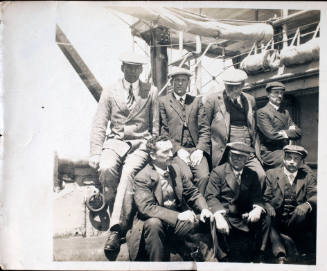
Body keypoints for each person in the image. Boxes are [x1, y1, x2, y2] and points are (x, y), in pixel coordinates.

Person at [88, 52, 159, 259]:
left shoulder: (151, 91)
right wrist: (95, 152)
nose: (133, 71)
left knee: (128, 172)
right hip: (116, 142)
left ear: (141, 70)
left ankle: (116, 230)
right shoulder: (109, 91)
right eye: (129, 67)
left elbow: (155, 127)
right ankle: (114, 218)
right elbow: (100, 123)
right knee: (107, 167)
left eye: (137, 67)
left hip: (140, 144)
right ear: (122, 68)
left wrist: (152, 147)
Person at [127, 135, 213, 261]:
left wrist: (204, 208)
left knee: (208, 219)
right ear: (153, 155)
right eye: (165, 151)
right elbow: (147, 208)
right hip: (155, 227)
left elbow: (192, 193)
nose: (171, 154)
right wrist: (178, 216)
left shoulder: (175, 169)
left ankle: (212, 264)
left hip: (175, 226)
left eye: (171, 150)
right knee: (153, 223)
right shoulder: (142, 177)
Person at [205, 142, 270, 262]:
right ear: (229, 156)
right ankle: (222, 256)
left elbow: (257, 197)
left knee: (265, 217)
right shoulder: (218, 172)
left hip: (244, 216)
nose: (237, 159)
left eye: (241, 157)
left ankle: (260, 253)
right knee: (214, 219)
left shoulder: (252, 174)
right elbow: (210, 197)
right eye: (234, 155)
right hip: (227, 216)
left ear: (247, 159)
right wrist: (218, 215)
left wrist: (257, 209)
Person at [204, 68, 265, 187]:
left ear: (242, 85)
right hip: (225, 151)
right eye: (229, 87)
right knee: (227, 181)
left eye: (236, 87)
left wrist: (257, 150)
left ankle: (255, 204)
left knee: (260, 175)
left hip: (247, 149)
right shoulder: (213, 100)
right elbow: (205, 127)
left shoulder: (250, 100)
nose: (232, 90)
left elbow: (254, 128)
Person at [159, 67, 211, 195]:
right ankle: (186, 209)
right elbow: (163, 132)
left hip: (195, 149)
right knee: (186, 176)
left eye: (183, 80)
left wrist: (199, 150)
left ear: (188, 83)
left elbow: (205, 129)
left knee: (204, 176)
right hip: (177, 151)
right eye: (177, 80)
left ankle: (200, 209)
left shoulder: (196, 101)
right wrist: (178, 150)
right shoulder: (163, 102)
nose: (180, 83)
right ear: (171, 83)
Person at [264, 145, 316, 264]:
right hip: (276, 218)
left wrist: (307, 204)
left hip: (296, 220)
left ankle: (296, 246)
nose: (292, 162)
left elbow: (315, 194)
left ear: (302, 162)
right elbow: (264, 197)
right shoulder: (271, 174)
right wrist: (268, 205)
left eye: (296, 159)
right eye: (289, 158)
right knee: (268, 219)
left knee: (308, 214)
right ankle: (280, 253)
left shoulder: (307, 176)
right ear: (283, 159)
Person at [256, 81, 302, 169]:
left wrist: (283, 132)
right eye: (276, 93)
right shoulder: (262, 112)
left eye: (281, 93)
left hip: (285, 149)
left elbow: (298, 132)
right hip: (270, 152)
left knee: (302, 165)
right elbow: (271, 135)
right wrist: (289, 132)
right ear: (268, 95)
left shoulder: (285, 113)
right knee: (289, 164)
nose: (280, 96)